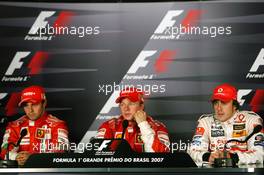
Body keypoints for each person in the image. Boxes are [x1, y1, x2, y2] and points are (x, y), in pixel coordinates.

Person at [188, 83, 263, 166]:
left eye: (223, 103)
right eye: (216, 103)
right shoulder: (205, 122)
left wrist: (233, 157)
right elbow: (193, 151)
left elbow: (260, 154)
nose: (218, 108)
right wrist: (208, 156)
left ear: (234, 105)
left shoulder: (251, 120)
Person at [0, 85, 69, 166]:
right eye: (26, 105)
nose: (30, 110)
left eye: (34, 104)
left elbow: (61, 152)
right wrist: (16, 157)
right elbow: (4, 151)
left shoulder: (57, 125)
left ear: (44, 103)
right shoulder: (14, 126)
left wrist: (33, 158)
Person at [96, 87, 170, 152]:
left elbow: (161, 156)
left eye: (131, 104)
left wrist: (144, 125)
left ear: (141, 106)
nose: (126, 108)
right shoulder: (110, 126)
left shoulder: (157, 127)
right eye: (122, 104)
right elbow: (97, 155)